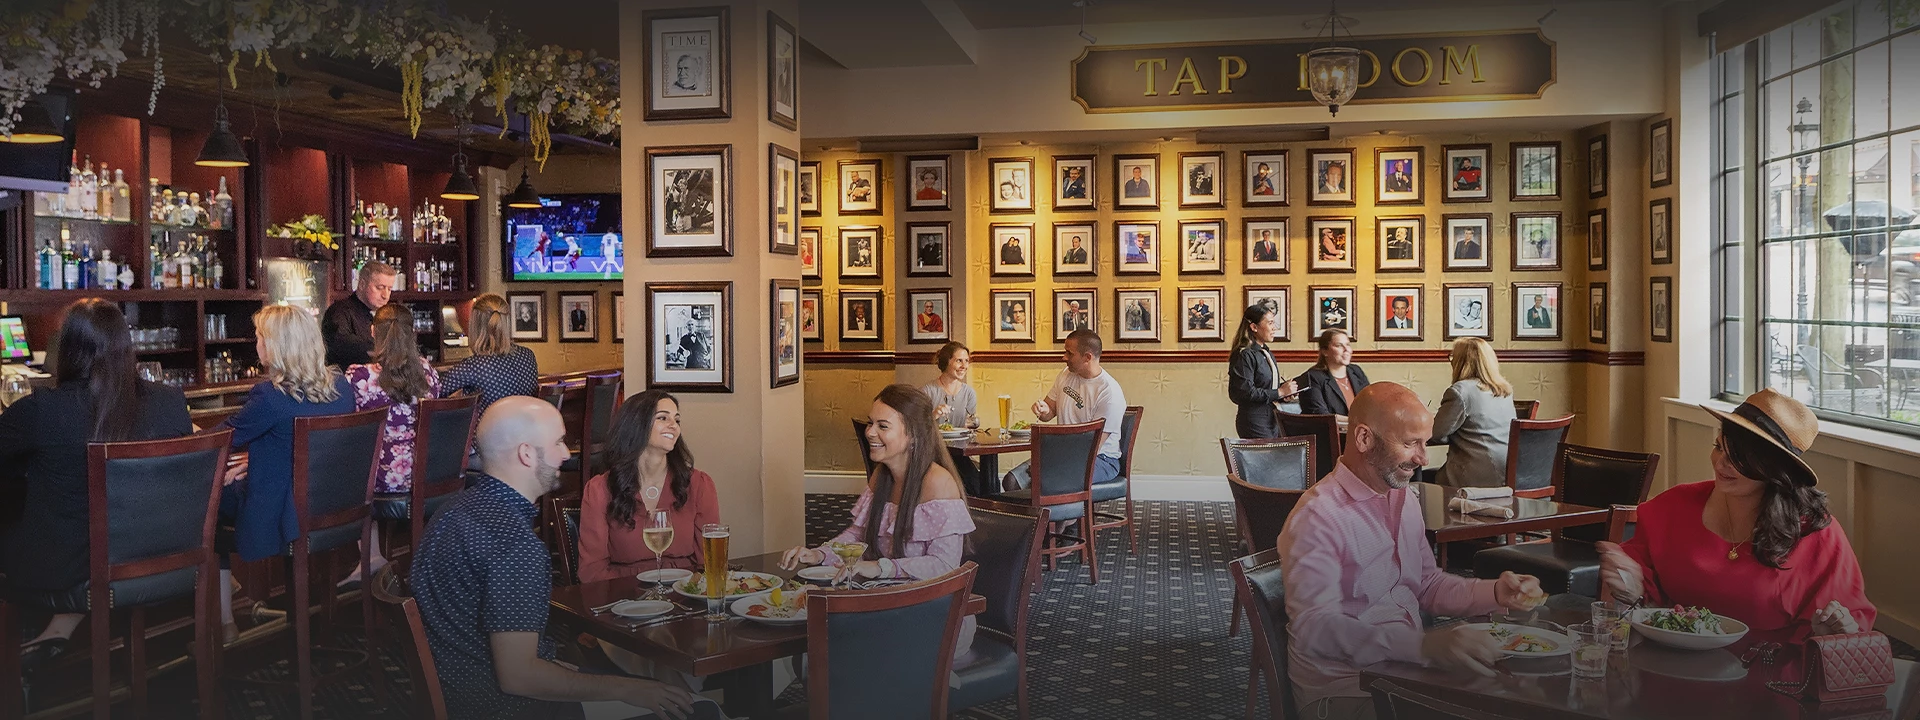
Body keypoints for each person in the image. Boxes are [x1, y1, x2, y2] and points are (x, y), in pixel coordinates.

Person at [412, 397, 705, 720]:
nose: (566, 454)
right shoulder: (516, 545)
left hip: (459, 690)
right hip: (504, 708)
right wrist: (627, 689)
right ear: (526, 454)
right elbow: (519, 677)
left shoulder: (453, 511)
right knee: (693, 710)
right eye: (559, 442)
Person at [1278, 383, 1545, 719]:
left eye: (1425, 442)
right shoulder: (1318, 517)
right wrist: (1423, 646)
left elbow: (1426, 584)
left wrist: (1495, 591)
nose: (1422, 458)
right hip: (1346, 693)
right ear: (1363, 439)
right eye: (1410, 443)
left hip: (1406, 674)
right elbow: (1316, 628)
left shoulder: (1402, 497)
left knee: (1524, 699)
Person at [4, 300, 194, 670]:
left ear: (68, 348)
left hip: (70, 568)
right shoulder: (170, 402)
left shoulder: (44, 409)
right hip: (162, 556)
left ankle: (16, 680)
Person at [1599, 390, 1874, 643]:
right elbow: (1642, 595)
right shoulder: (1674, 506)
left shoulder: (1815, 533)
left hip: (1772, 676)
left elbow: (1851, 625)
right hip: (1674, 663)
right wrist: (1632, 588)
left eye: (1739, 457)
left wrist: (1829, 633)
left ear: (1773, 468)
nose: (1721, 463)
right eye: (1719, 447)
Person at [780, 386, 976, 658]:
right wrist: (819, 554)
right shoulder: (880, 477)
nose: (870, 432)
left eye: (883, 426)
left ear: (913, 436)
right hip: (888, 603)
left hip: (935, 615)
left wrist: (880, 567)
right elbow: (858, 534)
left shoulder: (938, 484)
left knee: (832, 644)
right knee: (815, 638)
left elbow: (944, 567)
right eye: (871, 423)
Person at [217, 305, 357, 639]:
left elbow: (219, 439)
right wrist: (262, 458)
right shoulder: (342, 388)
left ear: (278, 346)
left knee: (207, 498)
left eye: (260, 339)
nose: (256, 346)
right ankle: (231, 606)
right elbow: (312, 449)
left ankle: (224, 617)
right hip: (333, 507)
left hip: (287, 514)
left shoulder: (270, 395)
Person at [343, 304, 443, 585]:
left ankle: (371, 557)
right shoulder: (428, 372)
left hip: (382, 477)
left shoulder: (359, 376)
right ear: (413, 333)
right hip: (427, 471)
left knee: (354, 466)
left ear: (373, 331)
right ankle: (417, 563)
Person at [1003, 330, 1126, 491]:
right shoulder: (1066, 375)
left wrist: (1051, 463)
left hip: (1100, 459)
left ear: (1087, 357)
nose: (1064, 357)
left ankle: (1064, 516)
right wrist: (1043, 409)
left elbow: (1093, 446)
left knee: (1046, 479)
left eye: (1069, 353)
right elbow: (1049, 412)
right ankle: (1038, 516)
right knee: (1011, 481)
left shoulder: (1109, 393)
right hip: (1063, 453)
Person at [1429, 338, 1518, 489]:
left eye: (1452, 357)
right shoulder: (1504, 391)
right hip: (1508, 474)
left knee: (1416, 483)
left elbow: (1436, 434)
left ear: (1462, 361)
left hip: (1474, 479)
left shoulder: (1460, 392)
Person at [440, 294, 541, 416]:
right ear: (507, 322)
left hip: (487, 434)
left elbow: (434, 391)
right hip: (527, 432)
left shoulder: (474, 365)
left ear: (474, 326)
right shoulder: (528, 356)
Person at [1227, 303, 1302, 438]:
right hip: (1254, 420)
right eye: (1270, 323)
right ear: (1254, 327)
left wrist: (1283, 393)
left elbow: (1265, 388)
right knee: (1269, 458)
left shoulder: (1265, 352)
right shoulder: (1244, 354)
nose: (1275, 328)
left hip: (1272, 417)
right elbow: (1244, 392)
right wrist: (1279, 392)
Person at [922, 343, 983, 493]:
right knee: (972, 481)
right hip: (933, 453)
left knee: (980, 483)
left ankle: (988, 514)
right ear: (945, 361)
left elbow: (971, 425)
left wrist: (972, 425)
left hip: (959, 453)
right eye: (959, 361)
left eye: (966, 361)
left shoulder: (969, 393)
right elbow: (916, 428)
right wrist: (934, 415)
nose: (964, 366)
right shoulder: (928, 391)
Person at [322, 260, 395, 367]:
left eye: (389, 289)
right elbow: (340, 345)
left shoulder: (385, 315)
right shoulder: (340, 312)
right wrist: (381, 350)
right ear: (362, 284)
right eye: (380, 288)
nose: (385, 295)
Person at [1296, 329, 1370, 419]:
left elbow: (1370, 404)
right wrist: (1355, 423)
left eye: (1348, 345)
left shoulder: (1356, 371)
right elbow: (1320, 415)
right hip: (1329, 431)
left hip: (1360, 430)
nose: (1347, 350)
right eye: (1339, 345)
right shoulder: (1312, 377)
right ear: (1325, 351)